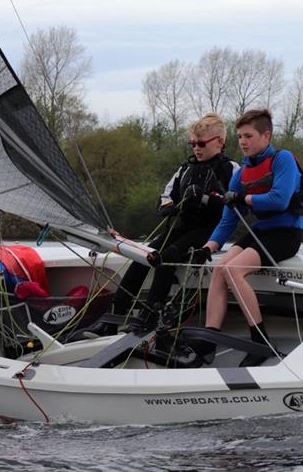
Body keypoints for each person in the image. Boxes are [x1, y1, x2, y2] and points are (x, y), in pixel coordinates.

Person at [83, 114, 238, 337]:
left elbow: (233, 207)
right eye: (192, 143)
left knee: (166, 257)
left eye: (201, 143)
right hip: (181, 227)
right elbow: (164, 197)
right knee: (141, 257)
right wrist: (168, 206)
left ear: (220, 141)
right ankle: (112, 319)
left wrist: (205, 199)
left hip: (209, 232)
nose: (196, 148)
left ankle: (149, 318)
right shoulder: (185, 169)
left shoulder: (231, 169)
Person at [194, 108, 303, 366]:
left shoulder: (283, 159)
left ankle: (261, 342)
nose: (242, 142)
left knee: (233, 270)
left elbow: (279, 200)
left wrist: (244, 198)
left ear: (266, 136)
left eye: (248, 136)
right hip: (261, 232)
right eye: (239, 137)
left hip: (286, 234)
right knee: (220, 267)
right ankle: (209, 340)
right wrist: (208, 248)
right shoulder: (241, 172)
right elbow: (228, 219)